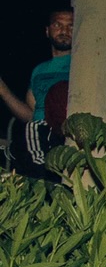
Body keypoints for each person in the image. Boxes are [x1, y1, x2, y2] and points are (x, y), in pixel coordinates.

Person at [2, 9, 73, 172]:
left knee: (31, 134)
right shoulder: (39, 70)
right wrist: (3, 91)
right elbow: (30, 115)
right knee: (29, 133)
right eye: (58, 25)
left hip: (64, 130)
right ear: (47, 31)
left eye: (71, 26)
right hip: (38, 133)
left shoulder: (81, 63)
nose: (64, 31)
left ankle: (43, 173)